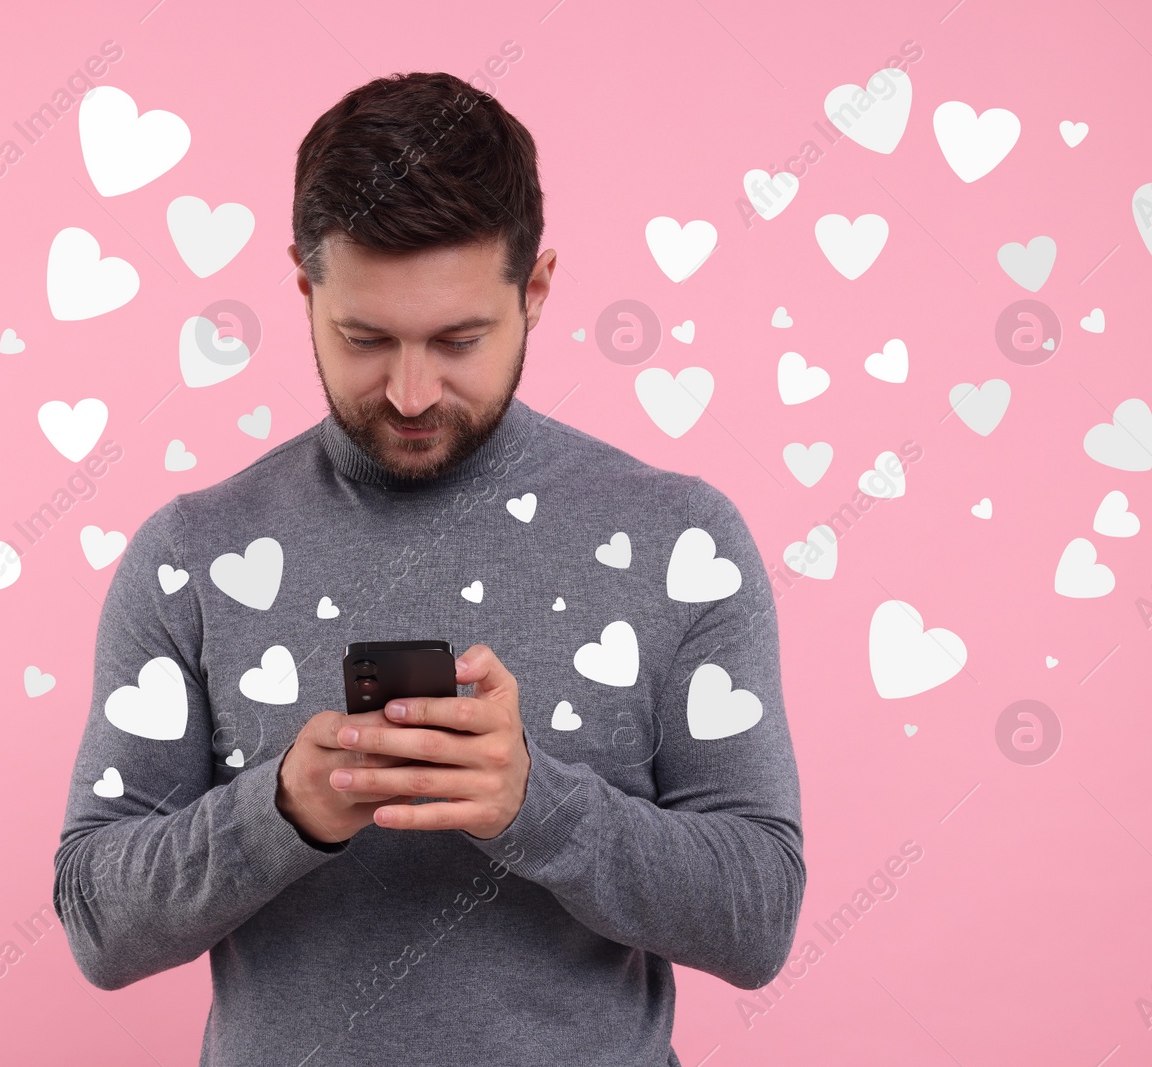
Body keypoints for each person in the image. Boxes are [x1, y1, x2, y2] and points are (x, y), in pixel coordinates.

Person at [53, 70, 805, 1067]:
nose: (411, 392)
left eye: (459, 341)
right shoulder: (193, 554)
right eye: (365, 339)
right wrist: (284, 808)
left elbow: (757, 916)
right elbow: (95, 922)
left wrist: (536, 803)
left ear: (535, 290)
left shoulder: (681, 541)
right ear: (304, 286)